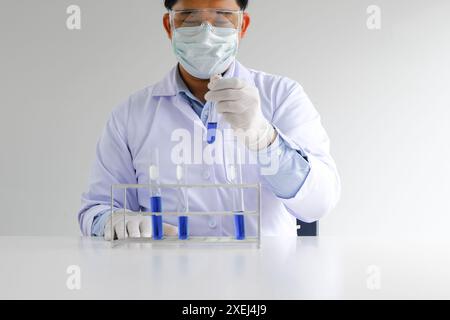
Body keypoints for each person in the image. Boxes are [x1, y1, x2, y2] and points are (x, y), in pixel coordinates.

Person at [78, 0, 341, 240]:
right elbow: (95, 209)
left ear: (242, 25)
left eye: (222, 17)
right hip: (167, 282)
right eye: (189, 18)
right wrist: (114, 220)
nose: (205, 33)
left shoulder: (283, 96)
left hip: (265, 281)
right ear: (169, 26)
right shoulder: (130, 115)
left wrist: (266, 140)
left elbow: (318, 203)